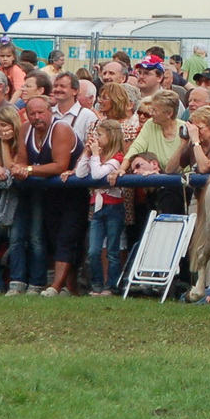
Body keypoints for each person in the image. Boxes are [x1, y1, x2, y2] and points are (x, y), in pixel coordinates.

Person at [21, 95, 81, 296]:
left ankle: (56, 286)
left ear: (50, 112)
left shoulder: (61, 129)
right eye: (32, 113)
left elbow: (60, 165)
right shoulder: (24, 130)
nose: (37, 117)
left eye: (41, 112)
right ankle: (69, 287)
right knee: (53, 237)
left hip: (72, 193)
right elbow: (19, 161)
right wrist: (22, 168)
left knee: (67, 237)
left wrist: (29, 170)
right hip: (48, 194)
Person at [77, 118, 128, 295]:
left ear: (111, 136)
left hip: (113, 207)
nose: (96, 138)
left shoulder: (117, 158)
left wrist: (96, 155)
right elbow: (81, 173)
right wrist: (86, 152)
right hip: (97, 208)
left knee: (112, 250)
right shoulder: (95, 157)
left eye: (99, 135)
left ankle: (111, 286)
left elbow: (98, 174)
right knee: (93, 250)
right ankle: (96, 284)